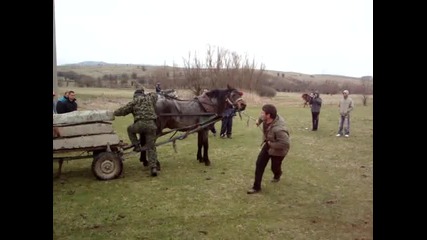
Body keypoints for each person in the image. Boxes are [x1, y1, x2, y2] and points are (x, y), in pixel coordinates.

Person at [113, 88, 160, 177]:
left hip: (140, 125)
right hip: (152, 125)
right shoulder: (150, 98)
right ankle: (153, 167)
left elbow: (123, 111)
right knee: (151, 147)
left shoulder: (134, 102)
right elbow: (155, 94)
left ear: (135, 96)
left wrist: (114, 113)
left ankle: (137, 146)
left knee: (130, 129)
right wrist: (148, 94)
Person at [247, 104, 290, 194]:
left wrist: (271, 144)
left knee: (275, 167)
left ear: (269, 115)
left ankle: (277, 174)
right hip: (268, 145)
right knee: (259, 164)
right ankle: (256, 187)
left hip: (279, 150)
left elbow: (285, 144)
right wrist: (258, 121)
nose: (261, 114)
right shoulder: (267, 117)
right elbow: (261, 118)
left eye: (263, 113)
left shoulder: (279, 129)